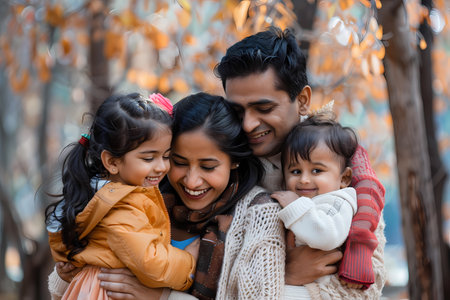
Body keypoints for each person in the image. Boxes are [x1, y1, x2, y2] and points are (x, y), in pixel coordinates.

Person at [48, 92, 286, 299]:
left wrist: (163, 298)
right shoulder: (145, 194)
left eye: (208, 167)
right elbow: (62, 288)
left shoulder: (257, 214)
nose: (192, 181)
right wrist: (68, 271)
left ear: (234, 161)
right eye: (178, 162)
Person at [214, 26, 386, 298]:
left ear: (303, 101)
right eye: (237, 111)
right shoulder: (218, 166)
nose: (247, 125)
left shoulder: (337, 162)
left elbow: (369, 283)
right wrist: (282, 272)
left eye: (264, 108)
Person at [45, 93, 197, 299]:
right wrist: (190, 262)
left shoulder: (99, 194)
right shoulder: (121, 205)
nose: (161, 167)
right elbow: (150, 263)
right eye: (149, 158)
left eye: (166, 156)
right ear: (112, 162)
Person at [271, 112, 363, 299]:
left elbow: (326, 235)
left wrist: (294, 207)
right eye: (295, 171)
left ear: (344, 178)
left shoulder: (339, 201)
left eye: (316, 170)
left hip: (322, 292)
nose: (304, 180)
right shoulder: (309, 201)